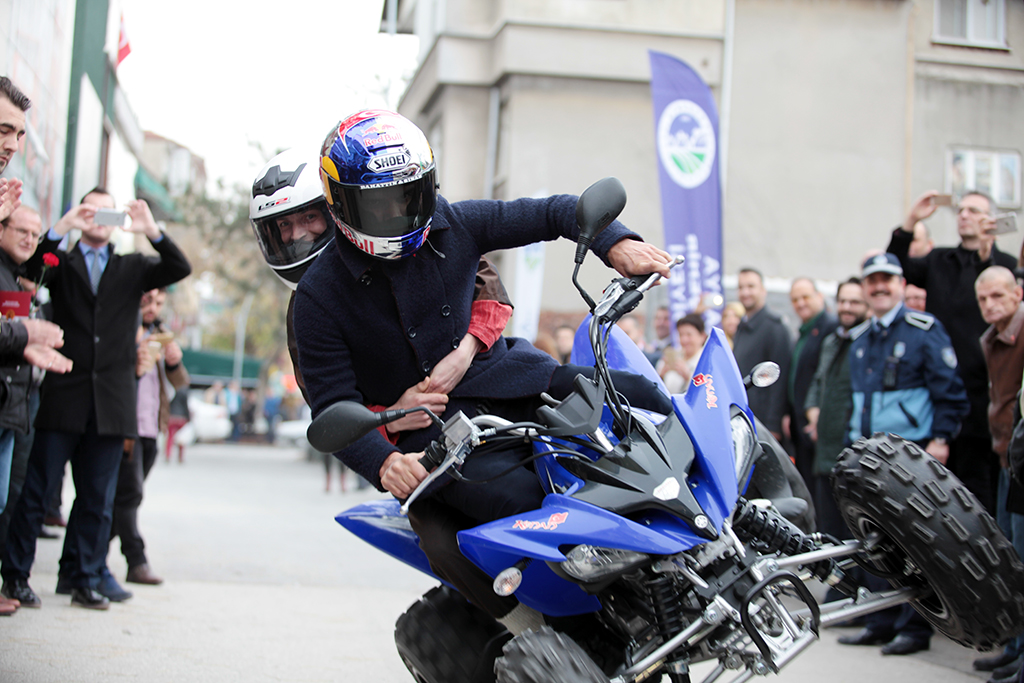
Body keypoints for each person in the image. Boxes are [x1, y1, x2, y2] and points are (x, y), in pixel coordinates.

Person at [293, 109, 673, 634]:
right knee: (528, 504)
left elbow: (554, 212)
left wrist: (615, 243)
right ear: (340, 203)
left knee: (645, 400)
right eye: (377, 202)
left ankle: (737, 527)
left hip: (516, 375)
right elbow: (331, 407)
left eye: (409, 194)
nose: (398, 210)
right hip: (437, 437)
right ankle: (610, 622)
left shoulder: (455, 220)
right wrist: (382, 462)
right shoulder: (316, 297)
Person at [0, 188, 191, 611]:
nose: (99, 219)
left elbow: (179, 266)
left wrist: (150, 231)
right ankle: (14, 577)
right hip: (62, 396)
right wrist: (63, 227)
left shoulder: (133, 266)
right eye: (92, 210)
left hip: (112, 402)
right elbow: (29, 268)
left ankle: (85, 578)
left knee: (97, 499)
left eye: (108, 211)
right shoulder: (61, 263)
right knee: (36, 493)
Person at [838, 253, 969, 655]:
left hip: (912, 461)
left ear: (899, 285)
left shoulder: (924, 330)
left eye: (887, 280)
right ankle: (879, 621)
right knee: (875, 545)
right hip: (871, 461)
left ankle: (914, 629)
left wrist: (942, 439)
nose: (879, 286)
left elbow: (950, 393)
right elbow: (856, 401)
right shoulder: (859, 339)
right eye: (872, 280)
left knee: (919, 546)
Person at [887, 189, 1016, 513]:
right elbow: (895, 265)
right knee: (940, 497)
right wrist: (912, 220)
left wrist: (987, 257)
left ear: (991, 219)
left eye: (974, 210)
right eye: (961, 210)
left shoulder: (1007, 265)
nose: (964, 215)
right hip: (942, 397)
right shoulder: (939, 260)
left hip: (987, 399)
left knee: (983, 496)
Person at [111, 287, 190, 586]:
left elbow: (180, 382)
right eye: (148, 300)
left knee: (121, 500)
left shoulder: (160, 332)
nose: (152, 308)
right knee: (130, 495)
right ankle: (136, 561)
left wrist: (173, 360)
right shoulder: (123, 328)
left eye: (158, 303)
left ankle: (81, 558)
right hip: (124, 427)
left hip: (150, 427)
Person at [974, 266, 1024, 679]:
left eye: (998, 296)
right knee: (1011, 559)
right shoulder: (991, 339)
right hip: (1007, 459)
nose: (991, 304)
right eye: (983, 298)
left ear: (1017, 293)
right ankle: (1015, 648)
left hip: (1021, 461)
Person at [803, 277, 867, 542]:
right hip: (825, 454)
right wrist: (813, 410)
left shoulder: (867, 344)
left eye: (854, 302)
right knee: (829, 529)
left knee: (856, 531)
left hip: (855, 455)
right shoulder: (831, 342)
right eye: (843, 301)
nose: (847, 307)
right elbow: (818, 382)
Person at [787, 278, 838, 485]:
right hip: (801, 421)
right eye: (795, 299)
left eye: (805, 297)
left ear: (820, 296)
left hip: (818, 422)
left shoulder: (830, 327)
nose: (800, 303)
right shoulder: (804, 331)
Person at [732, 267, 792, 440]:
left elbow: (780, 381)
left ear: (763, 291)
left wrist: (773, 425)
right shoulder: (742, 327)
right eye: (741, 287)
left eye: (751, 286)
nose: (745, 292)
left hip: (764, 424)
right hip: (744, 418)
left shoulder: (775, 328)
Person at [659, 313, 706, 393]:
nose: (684, 340)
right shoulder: (674, 357)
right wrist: (661, 376)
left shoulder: (706, 361)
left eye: (689, 335)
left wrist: (688, 376)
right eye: (681, 335)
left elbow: (706, 392)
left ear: (702, 336)